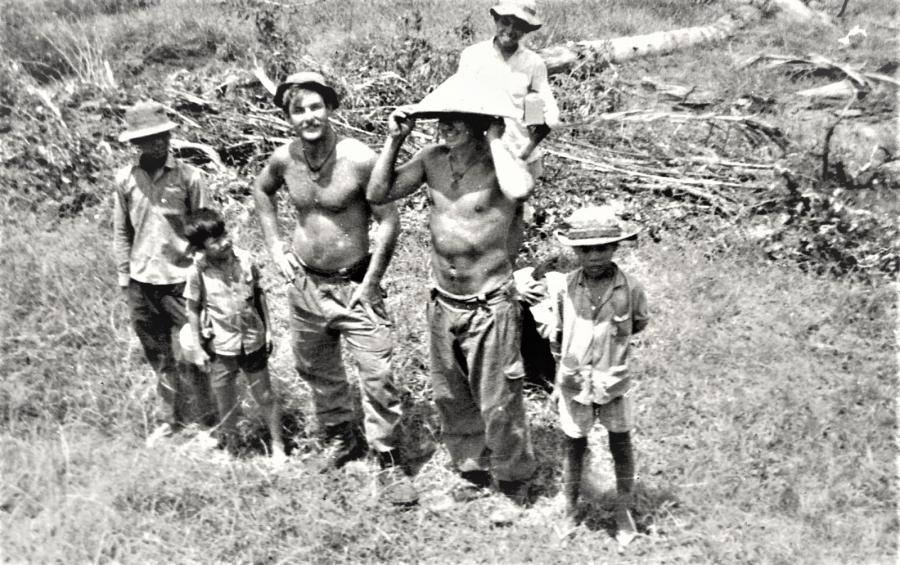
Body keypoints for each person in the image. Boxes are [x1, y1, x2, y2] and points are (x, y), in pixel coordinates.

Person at [367, 74, 536, 524]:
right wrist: (394, 140)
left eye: (459, 118)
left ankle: (513, 485)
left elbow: (521, 190)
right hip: (443, 300)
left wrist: (499, 139)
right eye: (443, 117)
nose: (447, 125)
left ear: (480, 122)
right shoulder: (430, 160)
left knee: (498, 398)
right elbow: (378, 193)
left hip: (489, 302)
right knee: (452, 396)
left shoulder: (501, 163)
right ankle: (472, 475)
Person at [252, 72, 417, 506]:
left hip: (355, 284)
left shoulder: (358, 158)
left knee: (377, 375)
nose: (309, 116)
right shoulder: (285, 159)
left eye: (315, 106)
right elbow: (262, 191)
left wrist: (372, 280)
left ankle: (388, 457)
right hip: (305, 284)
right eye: (298, 110)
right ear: (287, 117)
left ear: (329, 108)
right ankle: (340, 438)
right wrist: (275, 247)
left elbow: (389, 221)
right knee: (318, 370)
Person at [457, 0, 562, 393]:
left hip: (517, 158)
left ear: (527, 30)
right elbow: (458, 104)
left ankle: (507, 316)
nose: (511, 29)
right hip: (479, 156)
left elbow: (544, 113)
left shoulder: (532, 64)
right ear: (495, 20)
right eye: (506, 21)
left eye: (519, 25)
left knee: (507, 241)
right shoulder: (473, 58)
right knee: (474, 230)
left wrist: (522, 151)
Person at [533, 205, 649, 546]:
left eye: (602, 248)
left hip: (613, 380)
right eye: (585, 249)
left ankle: (624, 511)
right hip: (573, 380)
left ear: (615, 248)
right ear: (574, 251)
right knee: (574, 442)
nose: (594, 256)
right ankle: (569, 506)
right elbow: (557, 334)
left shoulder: (631, 287)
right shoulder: (565, 287)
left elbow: (638, 323)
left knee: (621, 442)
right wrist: (559, 376)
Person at [113, 101, 214, 445]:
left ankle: (208, 425)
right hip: (142, 284)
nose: (155, 145)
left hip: (182, 282)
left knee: (194, 353)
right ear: (135, 144)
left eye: (160, 137)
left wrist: (204, 280)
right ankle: (168, 422)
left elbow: (206, 231)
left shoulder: (189, 177)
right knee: (159, 357)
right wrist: (124, 278)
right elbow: (122, 232)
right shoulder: (125, 180)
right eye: (146, 140)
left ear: (169, 136)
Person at [181, 208, 286, 464]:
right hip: (222, 347)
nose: (224, 242)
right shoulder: (198, 272)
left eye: (224, 234)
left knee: (265, 396)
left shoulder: (245, 259)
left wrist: (269, 331)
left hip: (253, 341)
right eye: (214, 241)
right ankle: (233, 447)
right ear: (201, 248)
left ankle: (278, 446)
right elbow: (192, 309)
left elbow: (259, 296)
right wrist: (197, 346)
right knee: (225, 400)